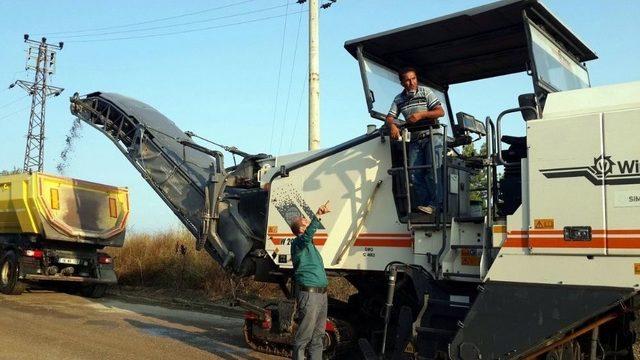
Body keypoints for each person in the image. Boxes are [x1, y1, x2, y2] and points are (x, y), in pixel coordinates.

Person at [386, 67, 445, 215]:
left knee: (433, 171)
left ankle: (436, 206)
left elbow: (440, 112)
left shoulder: (426, 92)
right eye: (407, 80)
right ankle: (425, 206)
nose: (411, 82)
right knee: (414, 174)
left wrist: (421, 115)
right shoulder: (399, 99)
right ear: (402, 83)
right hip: (414, 139)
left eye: (414, 78)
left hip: (432, 135)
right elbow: (389, 117)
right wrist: (392, 125)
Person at [290, 201, 331, 360]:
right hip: (310, 295)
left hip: (321, 296)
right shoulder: (298, 243)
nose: (308, 222)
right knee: (304, 338)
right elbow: (307, 237)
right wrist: (318, 214)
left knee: (318, 337)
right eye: (305, 221)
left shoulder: (310, 246)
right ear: (301, 229)